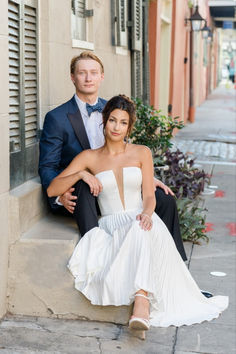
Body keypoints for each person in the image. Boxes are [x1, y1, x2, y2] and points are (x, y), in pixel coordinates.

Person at [47, 95, 228, 338]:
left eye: (123, 122)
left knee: (141, 227)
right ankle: (141, 304)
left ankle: (141, 303)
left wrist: (146, 213)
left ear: (129, 126)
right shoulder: (89, 157)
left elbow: (149, 196)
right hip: (112, 224)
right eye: (112, 120)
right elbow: (52, 189)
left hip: (141, 218)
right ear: (104, 120)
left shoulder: (142, 153)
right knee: (137, 230)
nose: (116, 127)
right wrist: (81, 174)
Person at [39, 51, 187, 261]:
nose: (88, 78)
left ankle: (173, 264)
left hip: (113, 186)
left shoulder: (113, 110)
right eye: (82, 73)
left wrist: (144, 175)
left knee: (164, 199)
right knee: (84, 187)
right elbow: (47, 167)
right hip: (81, 194)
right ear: (72, 77)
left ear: (102, 76)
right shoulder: (57, 118)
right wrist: (59, 195)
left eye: (93, 72)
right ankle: (96, 257)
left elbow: (124, 153)